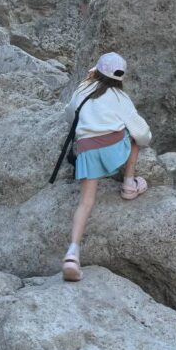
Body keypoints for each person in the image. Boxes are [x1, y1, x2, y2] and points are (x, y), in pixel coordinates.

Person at [62, 51, 151, 282]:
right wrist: (144, 138)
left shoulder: (83, 89)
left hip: (87, 151)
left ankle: (72, 253)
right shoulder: (120, 97)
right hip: (113, 151)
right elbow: (142, 133)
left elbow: (70, 115)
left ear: (97, 71)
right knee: (133, 137)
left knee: (86, 202)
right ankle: (129, 184)